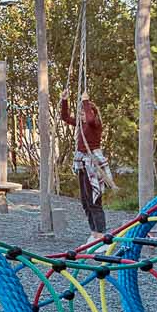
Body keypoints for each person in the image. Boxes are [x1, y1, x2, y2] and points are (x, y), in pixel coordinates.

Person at [58, 95, 111, 245]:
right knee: (85, 201)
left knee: (94, 200)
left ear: (92, 113)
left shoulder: (95, 124)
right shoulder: (82, 124)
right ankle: (94, 234)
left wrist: (86, 101)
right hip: (82, 163)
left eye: (83, 113)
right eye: (80, 113)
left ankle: (100, 236)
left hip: (92, 163)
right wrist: (64, 100)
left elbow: (89, 119)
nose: (81, 116)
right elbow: (65, 117)